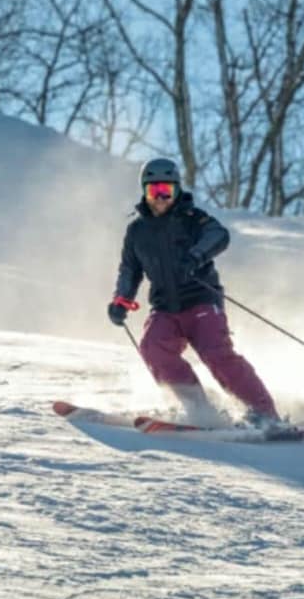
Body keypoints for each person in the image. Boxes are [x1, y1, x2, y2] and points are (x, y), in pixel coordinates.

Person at [107, 157, 282, 428]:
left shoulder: (192, 218)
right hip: (165, 307)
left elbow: (219, 235)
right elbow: (130, 270)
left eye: (167, 191)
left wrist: (194, 257)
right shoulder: (137, 231)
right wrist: (121, 300)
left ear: (177, 190)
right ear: (144, 192)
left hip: (201, 300)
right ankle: (198, 411)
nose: (160, 198)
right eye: (154, 191)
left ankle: (264, 413)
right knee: (153, 348)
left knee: (216, 354)